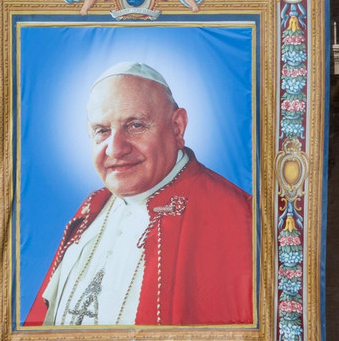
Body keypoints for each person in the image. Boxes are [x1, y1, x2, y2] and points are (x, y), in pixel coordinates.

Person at [25, 62, 253, 327]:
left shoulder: (236, 217)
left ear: (177, 128)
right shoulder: (92, 208)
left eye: (135, 125)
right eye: (102, 131)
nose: (115, 149)